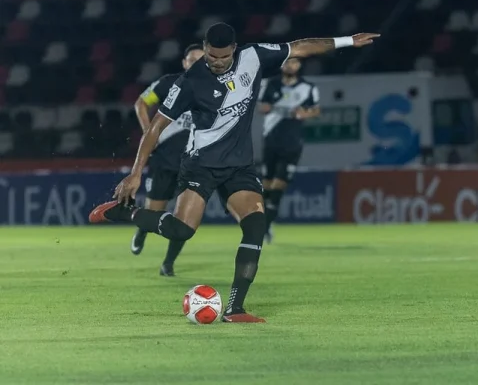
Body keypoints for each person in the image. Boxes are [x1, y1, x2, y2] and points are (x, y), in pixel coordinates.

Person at [89, 23, 379, 323]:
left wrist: (347, 41)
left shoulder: (253, 57)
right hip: (200, 164)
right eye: (211, 56)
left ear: (234, 50)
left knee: (256, 224)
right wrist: (136, 173)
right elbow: (155, 128)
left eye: (222, 57)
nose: (215, 62)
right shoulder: (190, 81)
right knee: (182, 230)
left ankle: (235, 308)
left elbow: (301, 46)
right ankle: (125, 214)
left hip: (239, 166)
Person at [130, 44, 204, 276]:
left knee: (185, 221)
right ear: (184, 63)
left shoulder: (216, 89)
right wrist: (148, 134)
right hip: (164, 161)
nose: (196, 64)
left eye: (201, 60)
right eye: (192, 60)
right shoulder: (168, 83)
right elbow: (141, 103)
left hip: (194, 163)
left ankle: (168, 263)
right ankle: (143, 229)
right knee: (154, 212)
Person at [258, 57, 320, 243]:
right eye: (287, 63)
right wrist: (268, 108)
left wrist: (305, 113)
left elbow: (316, 110)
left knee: (279, 186)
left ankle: (264, 228)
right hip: (271, 139)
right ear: (282, 65)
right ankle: (265, 224)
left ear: (299, 66)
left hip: (293, 142)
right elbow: (262, 106)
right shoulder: (270, 84)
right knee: (267, 185)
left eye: (294, 63)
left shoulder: (308, 87)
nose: (290, 66)